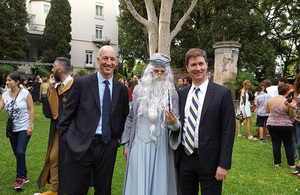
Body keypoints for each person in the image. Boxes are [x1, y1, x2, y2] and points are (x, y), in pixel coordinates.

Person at [58, 46, 129, 194]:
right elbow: (67, 115)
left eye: (112, 59)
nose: (108, 63)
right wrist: (68, 139)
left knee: (103, 190)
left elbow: (123, 117)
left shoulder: (121, 89)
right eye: (105, 58)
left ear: (116, 62)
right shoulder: (81, 84)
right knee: (76, 190)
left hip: (107, 146)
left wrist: (116, 140)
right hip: (80, 145)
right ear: (98, 60)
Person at [177, 48, 235, 195]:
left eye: (201, 64)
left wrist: (224, 164)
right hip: (185, 158)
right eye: (193, 65)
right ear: (187, 68)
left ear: (206, 65)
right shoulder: (181, 94)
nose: (198, 68)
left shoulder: (222, 93)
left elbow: (228, 131)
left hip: (212, 161)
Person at [121, 53, 181, 195]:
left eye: (163, 72)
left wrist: (174, 124)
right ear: (150, 71)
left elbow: (177, 124)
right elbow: (131, 118)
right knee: (138, 184)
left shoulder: (172, 93)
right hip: (138, 146)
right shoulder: (138, 91)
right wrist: (126, 144)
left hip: (162, 148)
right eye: (156, 71)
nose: (159, 75)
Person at [35, 57, 73, 195]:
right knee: (53, 157)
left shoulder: (75, 86)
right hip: (58, 130)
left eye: (53, 67)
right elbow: (52, 112)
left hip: (72, 132)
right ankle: (54, 188)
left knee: (70, 161)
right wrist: (51, 88)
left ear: (59, 69)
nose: (51, 70)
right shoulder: (59, 87)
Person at [0, 73, 35, 190]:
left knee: (20, 152)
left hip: (24, 127)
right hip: (12, 129)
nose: (7, 82)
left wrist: (30, 126)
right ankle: (24, 175)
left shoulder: (25, 93)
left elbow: (32, 109)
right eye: (6, 80)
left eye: (9, 80)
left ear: (17, 82)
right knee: (17, 154)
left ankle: (19, 180)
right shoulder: (5, 95)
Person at [265, 84, 296, 168]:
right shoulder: (287, 101)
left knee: (276, 143)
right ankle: (291, 164)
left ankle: (277, 163)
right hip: (285, 125)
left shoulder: (270, 100)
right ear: (287, 92)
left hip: (272, 124)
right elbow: (292, 116)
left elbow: (267, 110)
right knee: (288, 144)